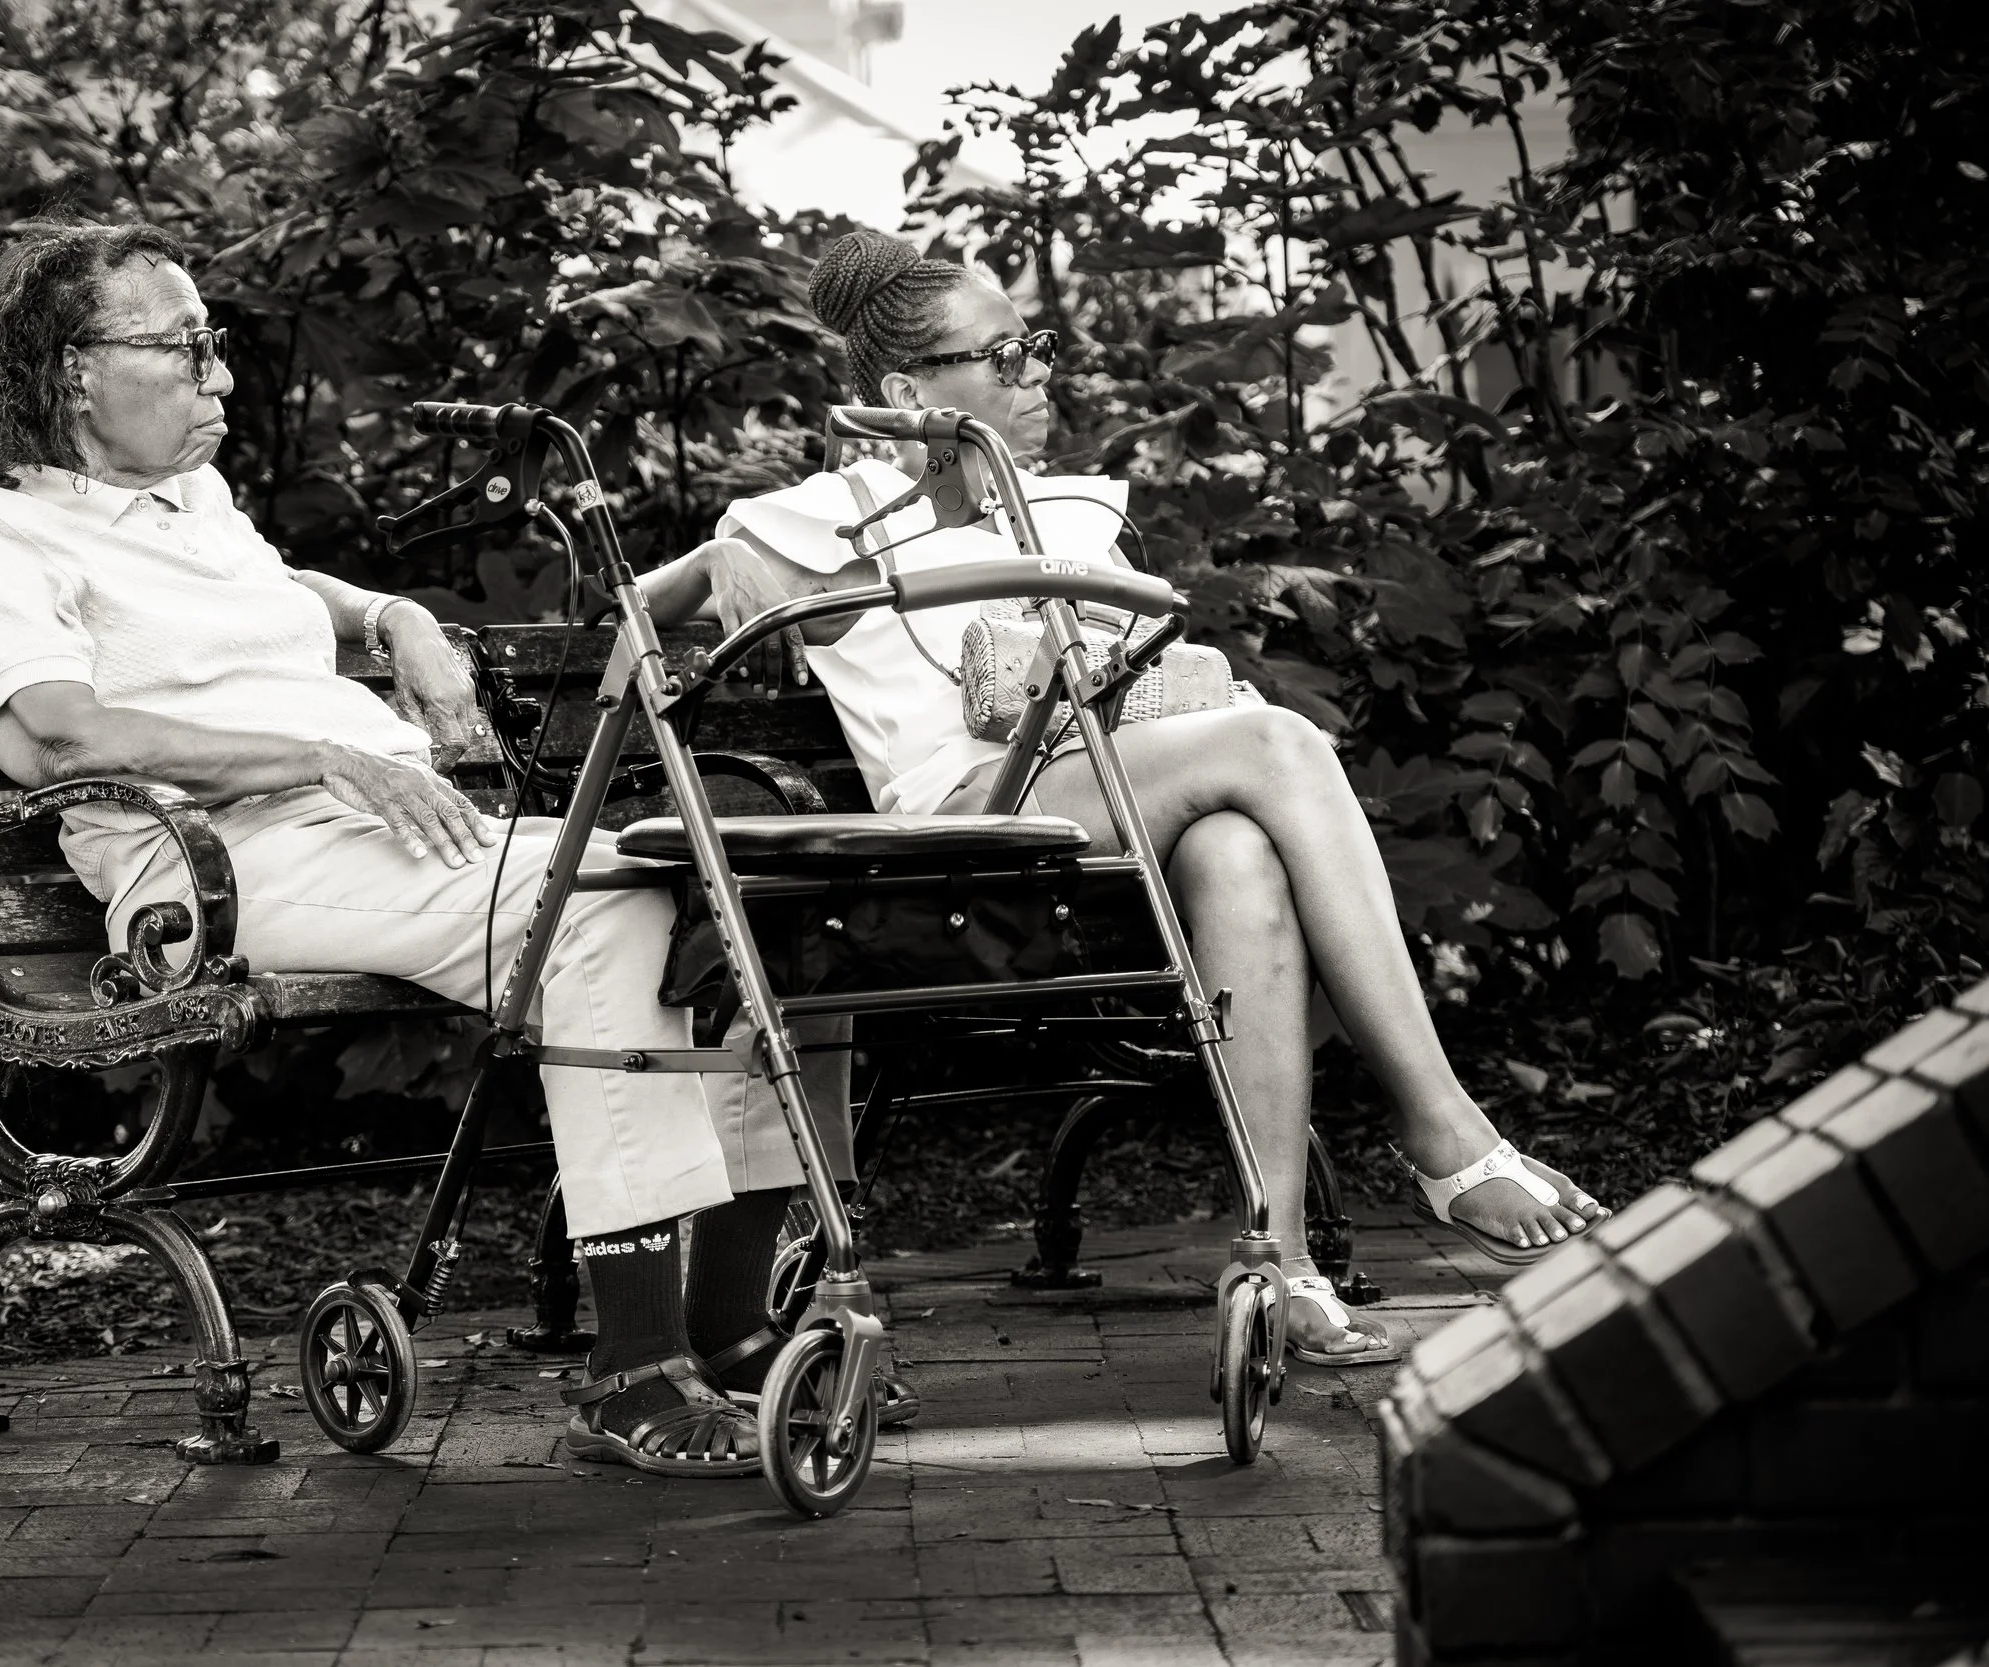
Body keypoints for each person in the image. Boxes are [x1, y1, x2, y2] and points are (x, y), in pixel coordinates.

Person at [0, 222, 828, 1477]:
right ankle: (634, 1372)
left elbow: (283, 588)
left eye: (212, 346)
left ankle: (730, 1337)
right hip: (214, 865)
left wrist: (395, 614)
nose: (219, 378)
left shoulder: (191, 504)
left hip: (370, 828)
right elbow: (54, 736)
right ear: (71, 370)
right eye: (183, 351)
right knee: (605, 910)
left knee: (738, 904)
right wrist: (312, 754)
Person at [638, 229, 1609, 1372]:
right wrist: (708, 572)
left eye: (1036, 347)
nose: (1038, 373)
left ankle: (1276, 1257)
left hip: (1092, 799)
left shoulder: (1064, 512)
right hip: (951, 824)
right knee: (1281, 742)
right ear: (908, 391)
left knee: (1241, 847)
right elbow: (634, 617)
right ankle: (1445, 1131)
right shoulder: (806, 519)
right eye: (1001, 357)